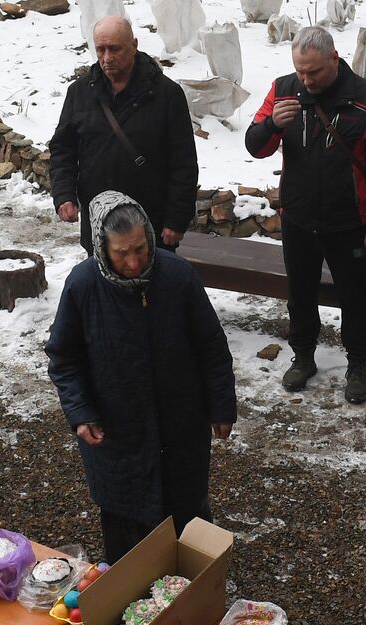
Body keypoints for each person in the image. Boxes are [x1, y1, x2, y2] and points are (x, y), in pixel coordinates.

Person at [46, 191, 236, 563]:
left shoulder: (177, 277)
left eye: (141, 249)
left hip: (181, 428)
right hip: (117, 437)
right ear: (102, 246)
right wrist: (80, 411)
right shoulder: (83, 285)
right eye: (121, 253)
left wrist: (221, 407)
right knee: (127, 535)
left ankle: (196, 596)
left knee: (187, 519)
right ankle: (131, 605)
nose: (134, 262)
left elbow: (211, 347)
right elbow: (63, 357)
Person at [245, 25, 366, 404]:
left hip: (348, 223)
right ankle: (302, 356)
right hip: (298, 218)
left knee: (355, 297)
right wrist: (271, 125)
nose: (305, 79)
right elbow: (255, 145)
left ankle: (358, 364)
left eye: (313, 71)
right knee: (299, 294)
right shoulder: (283, 90)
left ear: (334, 59)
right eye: (300, 70)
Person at [49, 16, 198, 254]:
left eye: (114, 49)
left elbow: (184, 163)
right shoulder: (79, 92)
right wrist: (64, 195)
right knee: (101, 290)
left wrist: (176, 219)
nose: (107, 58)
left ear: (134, 45)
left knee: (154, 290)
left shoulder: (167, 95)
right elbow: (62, 150)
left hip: (152, 224)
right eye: (100, 50)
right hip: (98, 222)